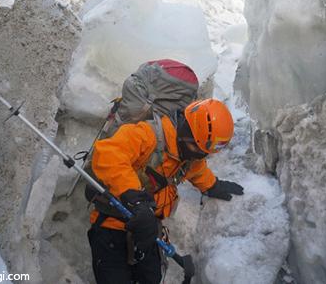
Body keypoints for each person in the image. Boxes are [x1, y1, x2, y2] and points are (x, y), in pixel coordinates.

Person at [87, 97, 244, 284]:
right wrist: (137, 200)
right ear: (188, 132)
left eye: (204, 153)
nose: (199, 156)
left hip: (149, 231)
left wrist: (212, 185)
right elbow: (108, 154)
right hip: (112, 225)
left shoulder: (189, 154)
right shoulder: (148, 134)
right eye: (197, 149)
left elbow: (198, 170)